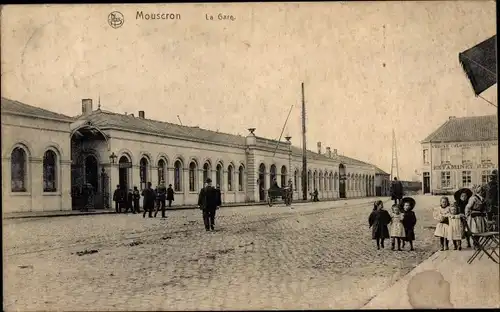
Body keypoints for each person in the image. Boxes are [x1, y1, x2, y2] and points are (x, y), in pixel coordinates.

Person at [465, 185, 488, 249]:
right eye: (481, 191)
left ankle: (477, 243)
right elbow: (468, 207)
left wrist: (484, 212)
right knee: (475, 231)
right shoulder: (473, 198)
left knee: (479, 231)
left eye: (483, 191)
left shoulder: (482, 199)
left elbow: (484, 208)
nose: (483, 192)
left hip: (480, 217)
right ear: (478, 191)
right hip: (474, 218)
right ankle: (475, 244)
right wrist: (467, 216)